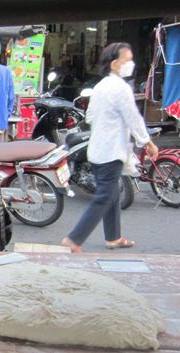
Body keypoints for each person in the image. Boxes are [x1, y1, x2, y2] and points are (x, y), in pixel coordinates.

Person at [61, 42, 159, 253]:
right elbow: (133, 117)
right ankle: (74, 238)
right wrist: (147, 141)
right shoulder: (120, 88)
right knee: (105, 195)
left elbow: (90, 116)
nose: (131, 64)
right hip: (111, 150)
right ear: (115, 64)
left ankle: (113, 237)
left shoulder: (101, 86)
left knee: (112, 193)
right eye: (127, 60)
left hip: (98, 148)